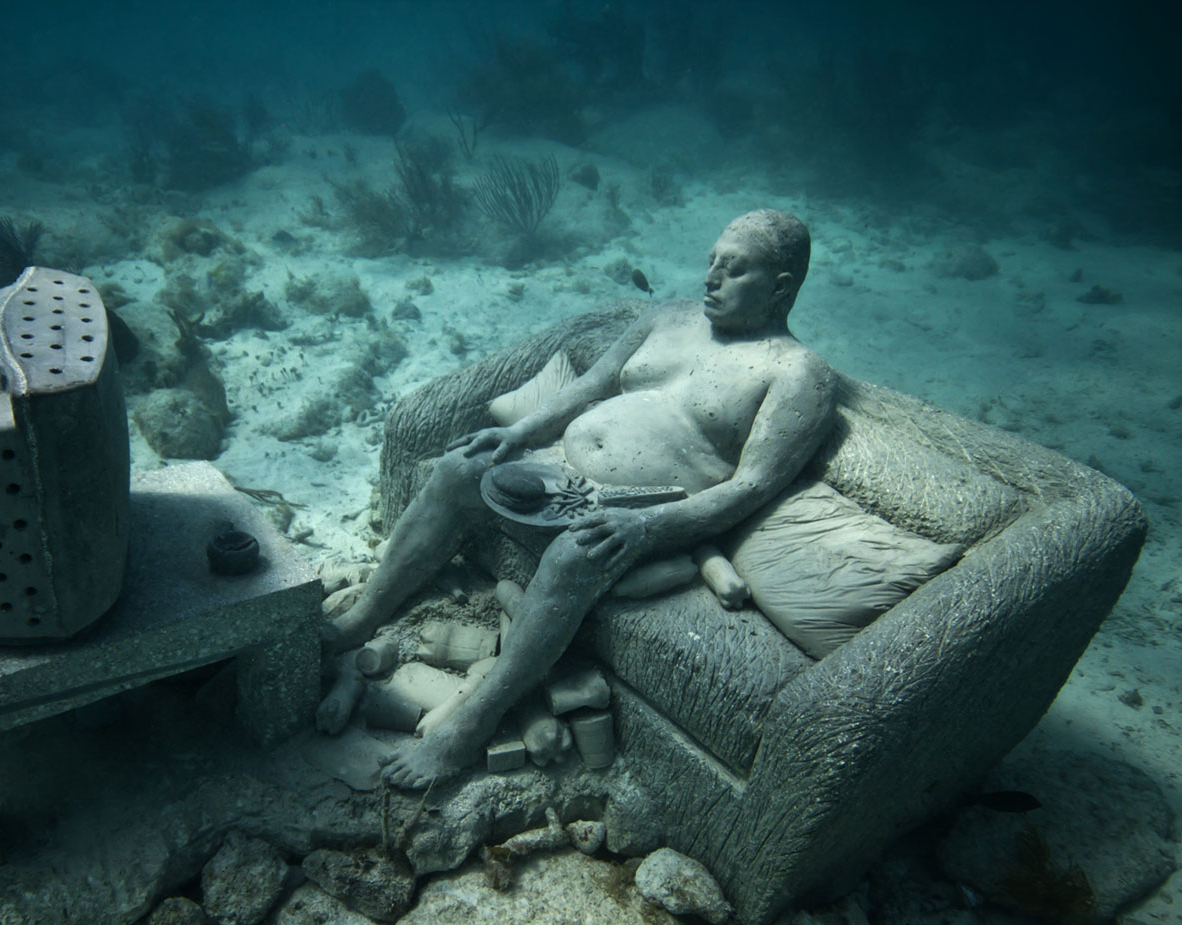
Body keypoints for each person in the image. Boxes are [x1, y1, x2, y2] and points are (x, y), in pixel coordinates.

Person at [328, 209, 836, 788]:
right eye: (712, 262)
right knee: (457, 467)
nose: (710, 280)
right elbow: (590, 387)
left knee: (576, 553)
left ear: (780, 287)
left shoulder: (798, 375)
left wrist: (650, 527)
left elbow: (752, 486)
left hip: (647, 509)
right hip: (560, 476)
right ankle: (363, 614)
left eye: (734, 270)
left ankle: (464, 727)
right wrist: (519, 434)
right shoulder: (668, 317)